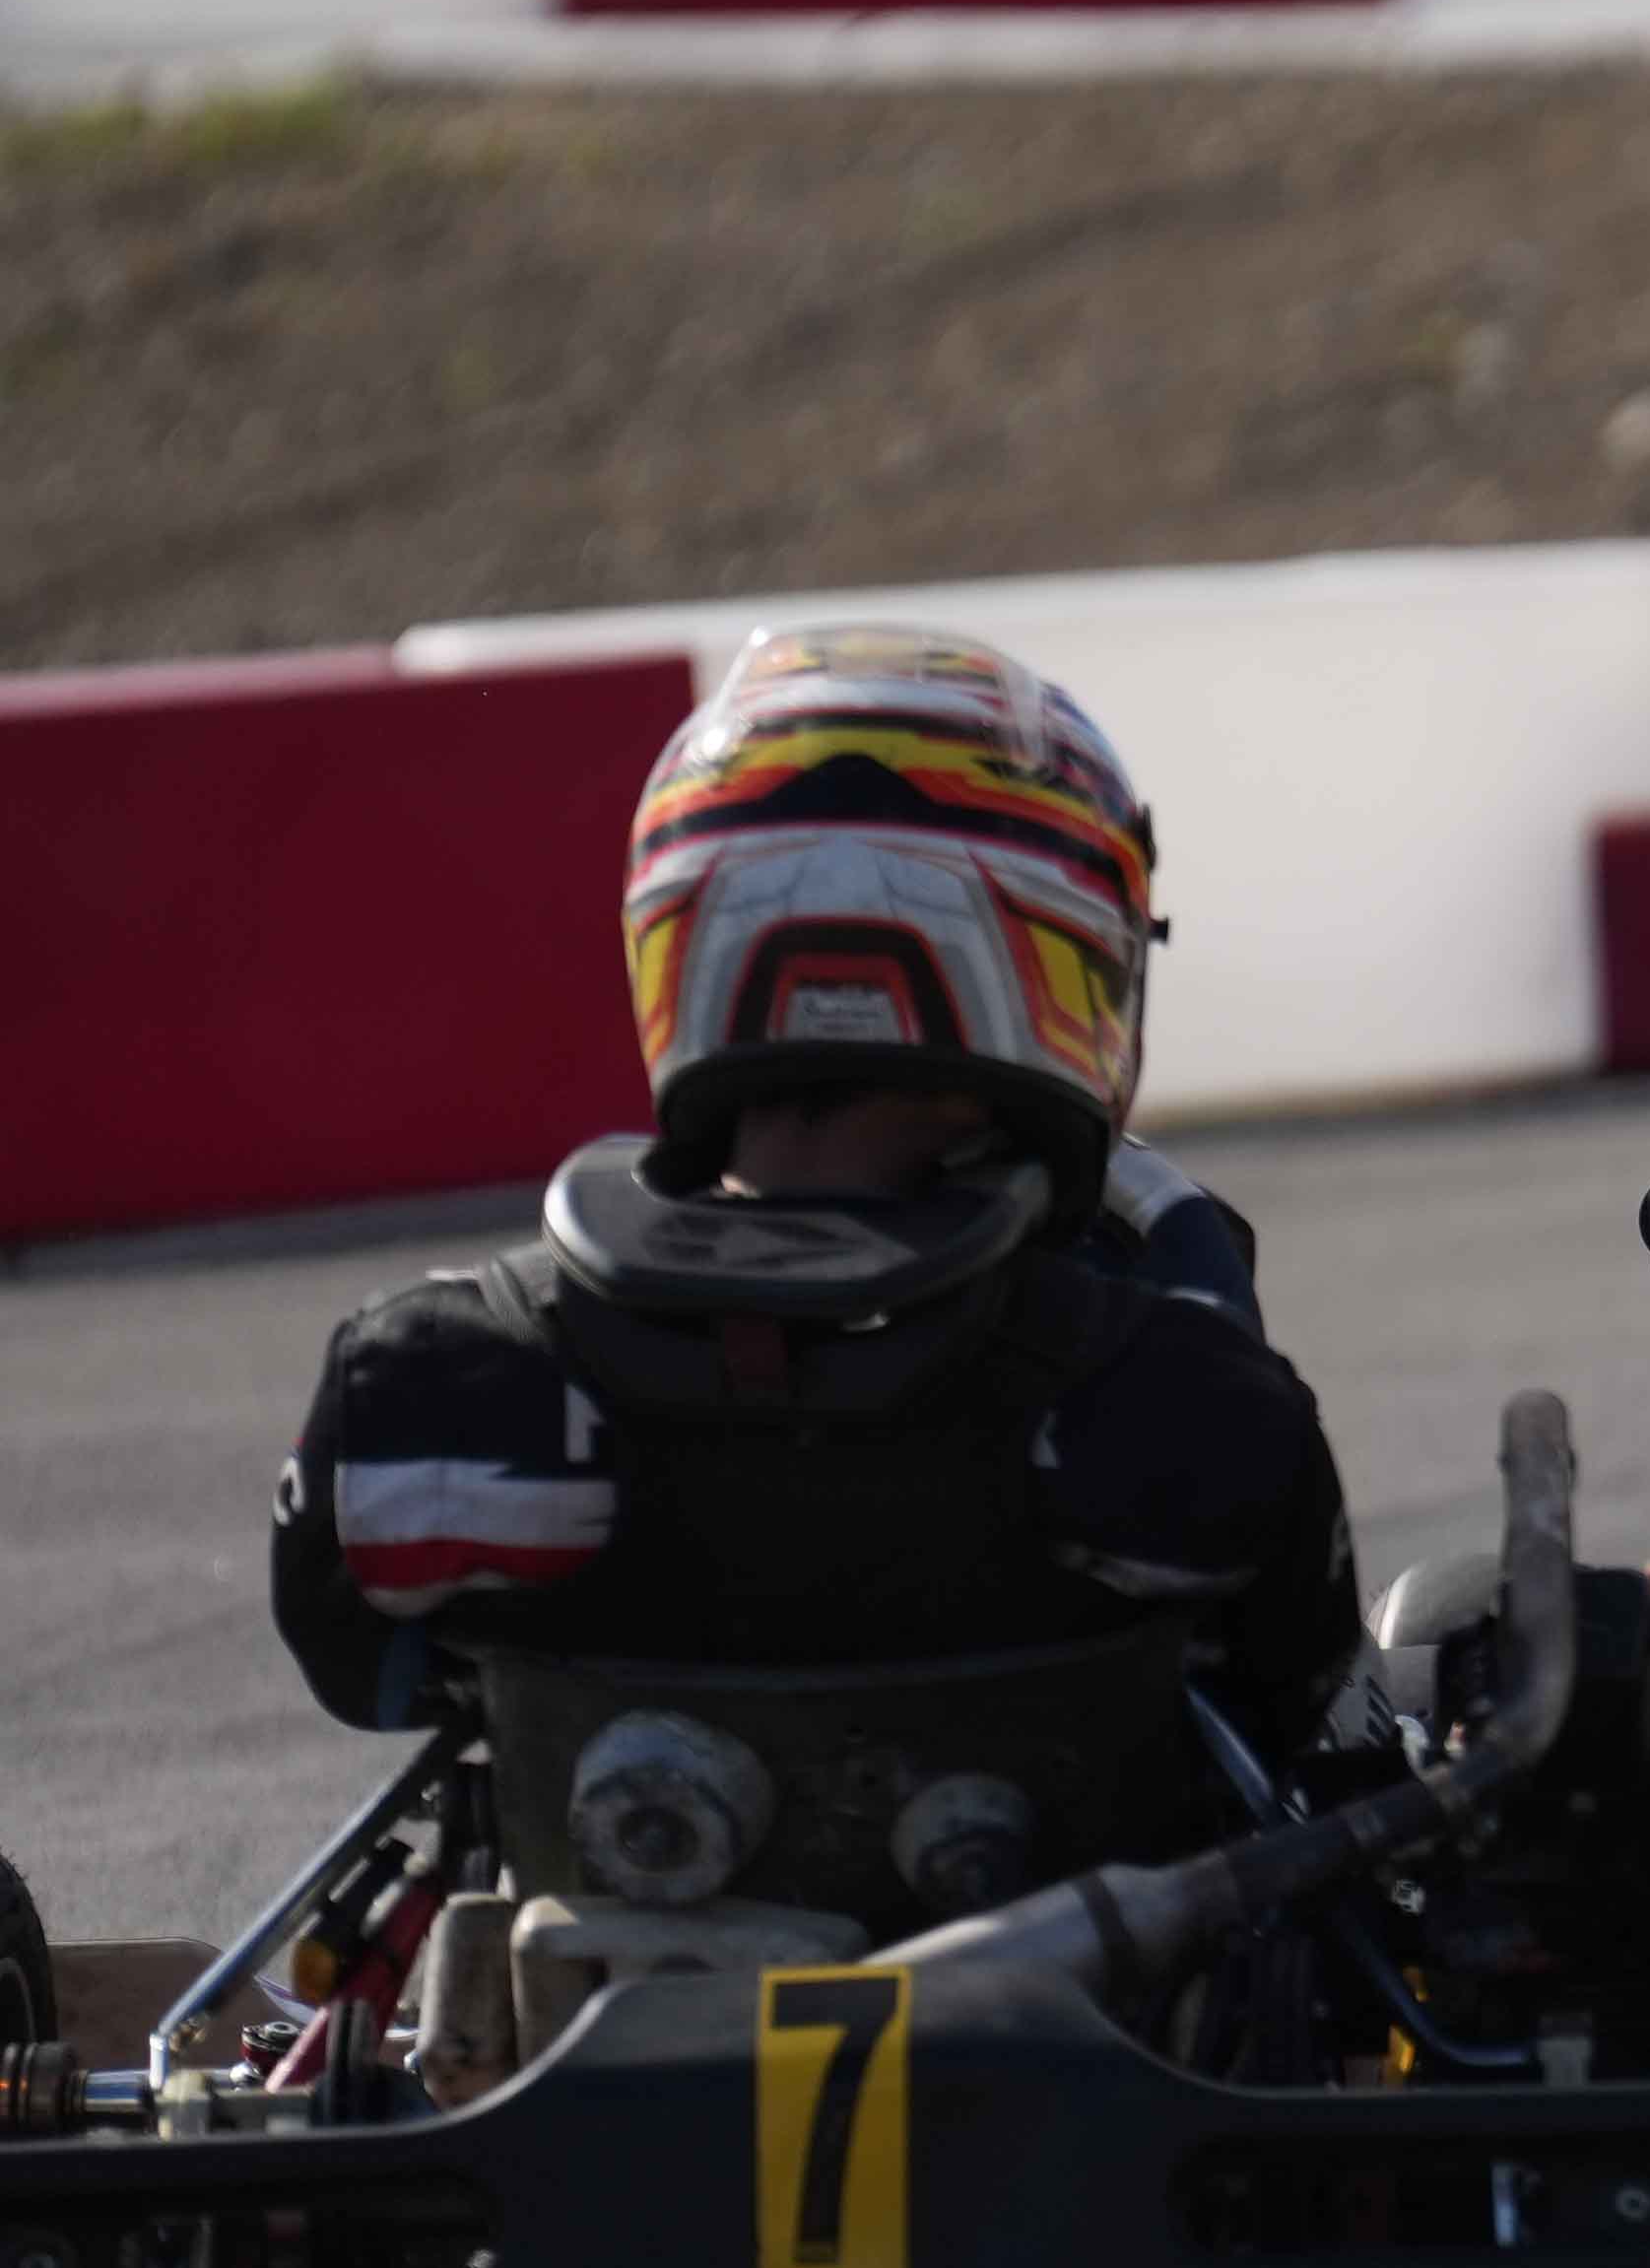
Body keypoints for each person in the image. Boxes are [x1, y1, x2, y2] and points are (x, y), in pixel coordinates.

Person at [273, 624, 1361, 1733]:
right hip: (1079, 1898)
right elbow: (1297, 1693)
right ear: (1057, 947)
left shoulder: (426, 1392)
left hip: (610, 1876)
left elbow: (372, 1682)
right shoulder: (1176, 1404)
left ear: (685, 936)